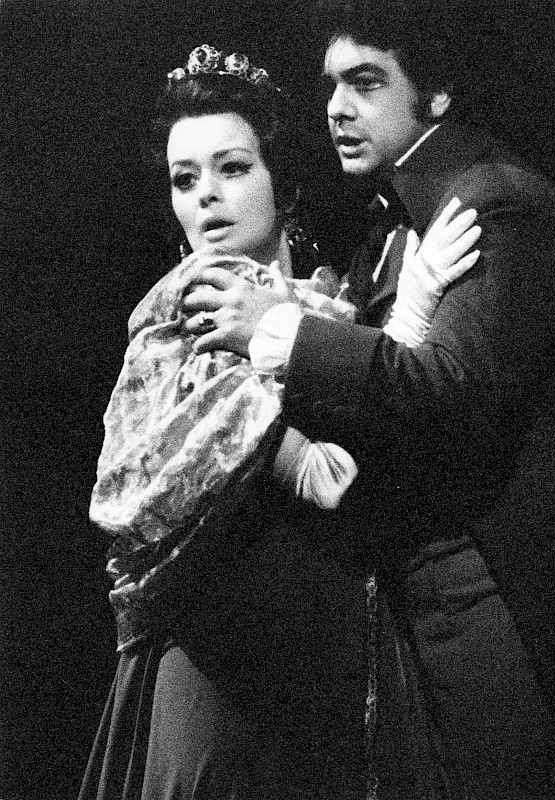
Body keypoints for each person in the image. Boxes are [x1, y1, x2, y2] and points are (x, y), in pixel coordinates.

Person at [179, 6, 555, 799]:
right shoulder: (393, 227)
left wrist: (281, 329)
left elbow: (455, 393)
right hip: (414, 596)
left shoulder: (492, 202)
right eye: (331, 86)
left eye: (366, 83)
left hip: (518, 594)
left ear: (437, 95)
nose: (337, 108)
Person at [79, 43, 481, 800]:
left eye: (232, 168)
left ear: (284, 185)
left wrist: (413, 307)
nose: (207, 196)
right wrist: (286, 448)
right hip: (222, 651)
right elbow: (138, 477)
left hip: (336, 650)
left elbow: (393, 423)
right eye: (185, 179)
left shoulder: (340, 307)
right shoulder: (179, 317)